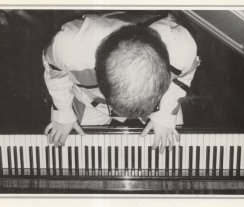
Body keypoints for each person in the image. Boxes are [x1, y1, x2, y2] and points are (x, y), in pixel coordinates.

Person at [43, 11, 200, 152]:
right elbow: (54, 69)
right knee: (78, 148)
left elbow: (184, 74)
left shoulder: (182, 48)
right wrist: (62, 112)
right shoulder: (69, 47)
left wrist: (165, 113)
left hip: (159, 102)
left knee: (171, 144)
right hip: (93, 100)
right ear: (100, 78)